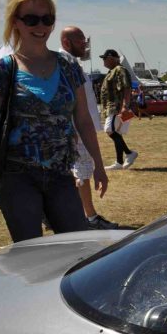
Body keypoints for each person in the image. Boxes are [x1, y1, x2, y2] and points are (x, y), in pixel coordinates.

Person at [0, 0, 108, 242]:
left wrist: (98, 165)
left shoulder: (68, 66)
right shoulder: (3, 69)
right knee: (30, 251)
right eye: (31, 19)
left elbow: (83, 120)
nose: (40, 26)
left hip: (61, 173)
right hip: (16, 176)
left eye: (47, 19)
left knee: (76, 245)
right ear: (15, 22)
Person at [59, 26, 118, 230]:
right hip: (77, 127)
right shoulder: (66, 63)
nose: (85, 44)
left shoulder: (70, 62)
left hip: (80, 125)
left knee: (79, 170)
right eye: (80, 40)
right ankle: (90, 217)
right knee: (82, 170)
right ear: (66, 42)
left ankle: (80, 216)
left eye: (84, 39)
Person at [100, 49, 137, 170]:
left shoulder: (119, 70)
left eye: (105, 58)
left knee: (109, 130)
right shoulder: (112, 71)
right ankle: (119, 162)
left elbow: (127, 88)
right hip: (111, 107)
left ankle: (129, 153)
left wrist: (125, 106)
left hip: (116, 107)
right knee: (116, 133)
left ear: (112, 58)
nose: (103, 61)